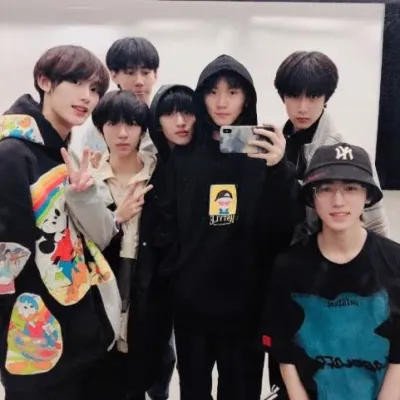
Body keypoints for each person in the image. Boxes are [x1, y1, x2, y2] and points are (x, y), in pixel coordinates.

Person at [159, 54, 304, 400]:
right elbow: (167, 224)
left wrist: (278, 168)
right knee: (194, 391)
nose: (222, 102)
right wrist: (178, 276)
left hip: (246, 307)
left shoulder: (264, 154)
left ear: (247, 98)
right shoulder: (184, 156)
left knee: (240, 391)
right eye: (212, 92)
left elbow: (284, 226)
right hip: (192, 307)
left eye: (233, 92)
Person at [0, 45, 121, 400]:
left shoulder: (64, 154)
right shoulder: (13, 155)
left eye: (95, 89)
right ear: (44, 81)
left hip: (81, 331)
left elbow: (97, 238)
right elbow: (6, 262)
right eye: (77, 83)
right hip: (35, 344)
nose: (87, 97)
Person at [263, 142, 400, 400]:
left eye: (350, 188)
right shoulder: (289, 266)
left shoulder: (394, 261)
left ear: (368, 195)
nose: (338, 201)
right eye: (325, 189)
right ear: (312, 198)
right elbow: (283, 351)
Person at [67, 89, 173, 400]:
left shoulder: (160, 172)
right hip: (100, 285)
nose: (123, 133)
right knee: (103, 375)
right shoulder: (89, 177)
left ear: (144, 128)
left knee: (141, 372)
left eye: (132, 124)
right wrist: (115, 214)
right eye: (113, 124)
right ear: (100, 128)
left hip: (148, 287)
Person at [274, 50, 389, 239]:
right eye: (294, 96)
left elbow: (375, 222)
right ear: (283, 97)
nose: (303, 108)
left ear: (325, 98)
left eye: (313, 97)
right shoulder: (275, 144)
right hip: (277, 251)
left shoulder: (347, 150)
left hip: (324, 252)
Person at [147, 84, 197, 400]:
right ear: (156, 120)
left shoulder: (207, 161)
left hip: (195, 282)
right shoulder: (147, 165)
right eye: (169, 114)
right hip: (154, 281)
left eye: (188, 112)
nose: (180, 122)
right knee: (158, 355)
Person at [82, 36, 160, 162]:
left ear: (155, 74)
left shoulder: (164, 120)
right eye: (130, 73)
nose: (139, 82)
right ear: (113, 75)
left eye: (145, 73)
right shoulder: (101, 123)